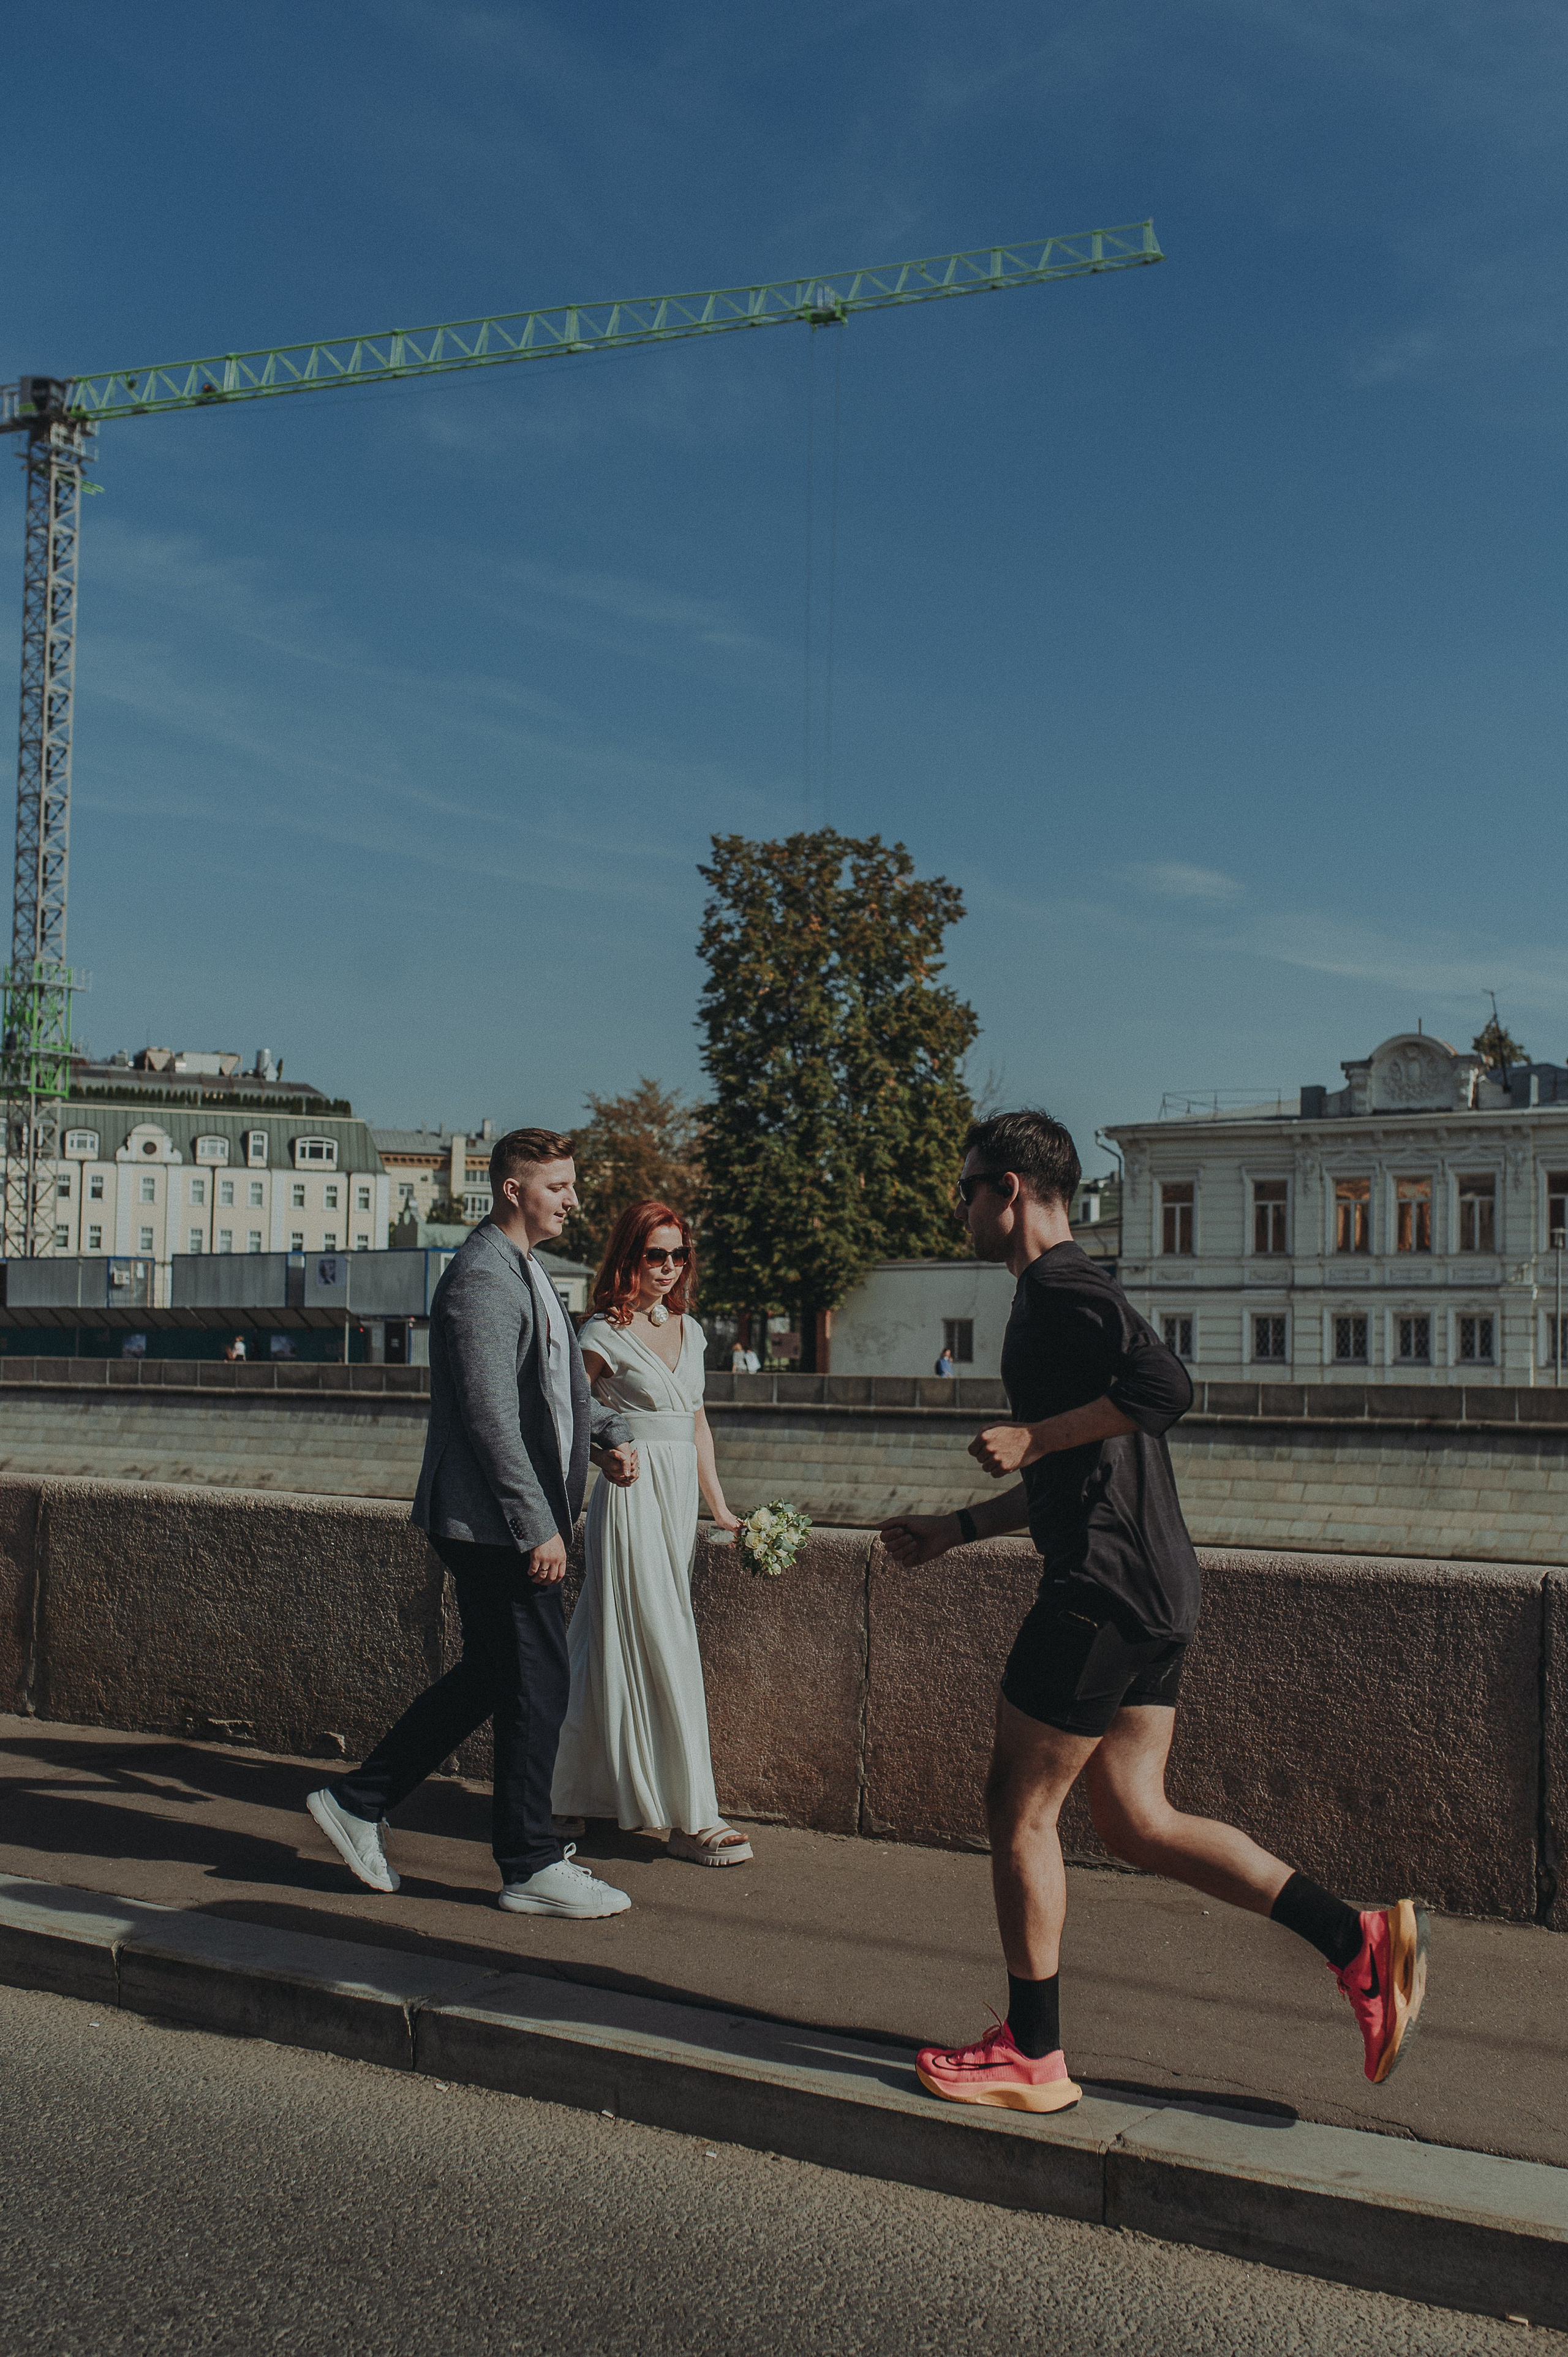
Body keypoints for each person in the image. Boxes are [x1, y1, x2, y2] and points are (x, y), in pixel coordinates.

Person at [881, 1109, 1428, 2113]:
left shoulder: (1060, 1284)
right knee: (1136, 1817)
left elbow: (1166, 1385)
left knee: (1018, 1806)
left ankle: (1032, 2053)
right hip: (1154, 1583)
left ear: (1009, 1189)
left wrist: (1035, 1432)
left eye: (966, 1188)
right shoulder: (1062, 1293)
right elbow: (1086, 1463)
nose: (959, 1208)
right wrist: (959, 1526)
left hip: (1101, 1588)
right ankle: (1357, 1940)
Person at [306, 1127, 639, 1919]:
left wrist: (608, 1436)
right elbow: (492, 1417)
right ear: (512, 1191)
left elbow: (553, 1391)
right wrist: (537, 1526)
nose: (573, 1199)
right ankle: (527, 1862)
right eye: (557, 1187)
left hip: (501, 1518)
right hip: (493, 1523)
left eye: (572, 1185)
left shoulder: (524, 1270)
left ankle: (359, 1802)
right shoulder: (483, 1277)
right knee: (539, 1678)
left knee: (496, 1673)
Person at [551, 1199, 751, 1866]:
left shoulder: (692, 1330)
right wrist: (602, 1456)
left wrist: (719, 1509)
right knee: (664, 1637)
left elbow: (695, 1426)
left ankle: (560, 1789)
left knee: (599, 1637)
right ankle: (693, 1818)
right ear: (628, 1258)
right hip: (630, 1494)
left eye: (678, 1254)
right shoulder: (601, 1331)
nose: (668, 1267)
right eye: (654, 1255)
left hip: (676, 1503)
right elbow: (566, 1415)